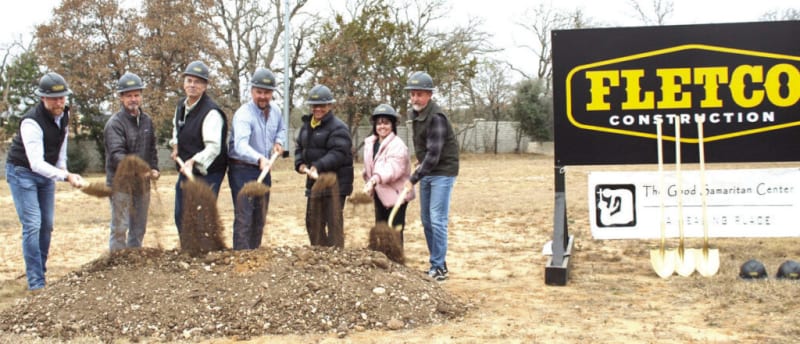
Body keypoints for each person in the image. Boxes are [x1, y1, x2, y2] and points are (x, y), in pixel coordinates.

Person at [5, 72, 84, 291]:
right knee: (32, 224)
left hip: (46, 174)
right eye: (54, 98)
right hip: (23, 172)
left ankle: (40, 271)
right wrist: (65, 176)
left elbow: (61, 150)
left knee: (47, 225)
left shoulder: (64, 115)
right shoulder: (31, 122)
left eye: (62, 98)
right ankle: (36, 283)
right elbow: (36, 163)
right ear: (43, 98)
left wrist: (64, 170)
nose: (59, 102)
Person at [403, 72, 459, 281]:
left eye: (419, 94)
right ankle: (438, 263)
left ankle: (438, 267)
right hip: (428, 170)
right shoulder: (416, 115)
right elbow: (427, 149)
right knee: (426, 220)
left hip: (443, 172)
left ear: (429, 95)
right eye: (412, 94)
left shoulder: (436, 117)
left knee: (437, 219)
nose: (415, 98)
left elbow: (434, 155)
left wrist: (412, 179)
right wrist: (420, 161)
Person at [227, 68, 286, 250]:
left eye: (267, 93)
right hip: (242, 169)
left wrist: (278, 142)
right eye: (259, 92)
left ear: (272, 93)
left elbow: (281, 130)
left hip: (263, 169)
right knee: (245, 216)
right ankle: (241, 257)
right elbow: (240, 145)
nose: (263, 96)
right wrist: (260, 158)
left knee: (259, 216)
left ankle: (254, 254)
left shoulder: (275, 110)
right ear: (252, 91)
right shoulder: (244, 115)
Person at [103, 72, 160, 252]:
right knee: (120, 227)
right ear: (121, 98)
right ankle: (117, 266)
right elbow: (117, 155)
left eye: (136, 95)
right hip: (120, 184)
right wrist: (138, 170)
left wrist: (154, 168)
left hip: (142, 185)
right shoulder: (115, 124)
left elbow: (152, 149)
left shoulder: (147, 121)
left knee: (139, 227)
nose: (133, 99)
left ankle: (133, 264)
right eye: (129, 96)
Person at [169, 61, 228, 233]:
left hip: (209, 172)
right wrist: (175, 146)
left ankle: (204, 253)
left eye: (197, 82)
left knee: (201, 215)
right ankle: (187, 250)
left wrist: (193, 161)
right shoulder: (181, 106)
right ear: (184, 83)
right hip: (186, 168)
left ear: (205, 86)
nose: (192, 85)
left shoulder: (211, 113)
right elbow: (176, 128)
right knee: (181, 213)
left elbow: (213, 148)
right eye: (189, 80)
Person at [294, 84, 353, 248]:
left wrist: (318, 166)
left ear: (329, 105)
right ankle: (319, 257)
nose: (317, 109)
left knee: (333, 223)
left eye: (322, 105)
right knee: (312, 222)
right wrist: (299, 163)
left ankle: (336, 258)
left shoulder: (338, 127)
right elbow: (299, 147)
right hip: (314, 183)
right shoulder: (307, 126)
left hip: (336, 184)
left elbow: (339, 153)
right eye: (314, 105)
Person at [362, 104, 415, 242]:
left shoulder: (398, 145)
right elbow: (369, 166)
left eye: (386, 123)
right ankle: (384, 260)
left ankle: (397, 261)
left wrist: (374, 180)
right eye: (379, 123)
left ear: (392, 125)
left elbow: (392, 169)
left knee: (394, 231)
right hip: (380, 193)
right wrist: (368, 181)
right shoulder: (370, 143)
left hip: (397, 195)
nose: (382, 126)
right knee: (381, 230)